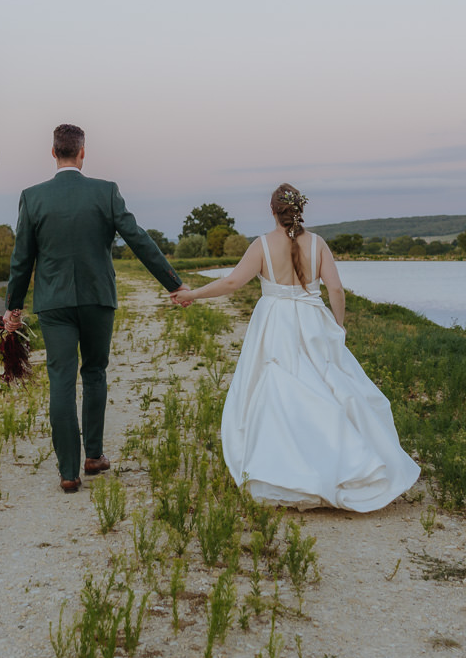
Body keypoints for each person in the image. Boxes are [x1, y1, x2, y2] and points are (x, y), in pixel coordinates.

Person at [171, 183, 419, 511]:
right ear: (300, 210)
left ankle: (287, 471)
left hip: (275, 322)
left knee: (279, 392)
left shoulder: (261, 246)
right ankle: (347, 462)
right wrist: (338, 326)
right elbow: (336, 289)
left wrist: (191, 294)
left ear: (272, 210)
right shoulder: (318, 244)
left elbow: (232, 283)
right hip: (313, 321)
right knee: (328, 386)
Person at [3, 124, 184, 494]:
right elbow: (138, 238)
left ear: (53, 153)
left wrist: (13, 308)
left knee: (61, 381)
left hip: (54, 303)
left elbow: (21, 259)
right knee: (96, 371)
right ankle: (94, 455)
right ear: (82, 153)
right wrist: (174, 283)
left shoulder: (32, 197)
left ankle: (69, 472)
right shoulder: (106, 191)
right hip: (98, 298)